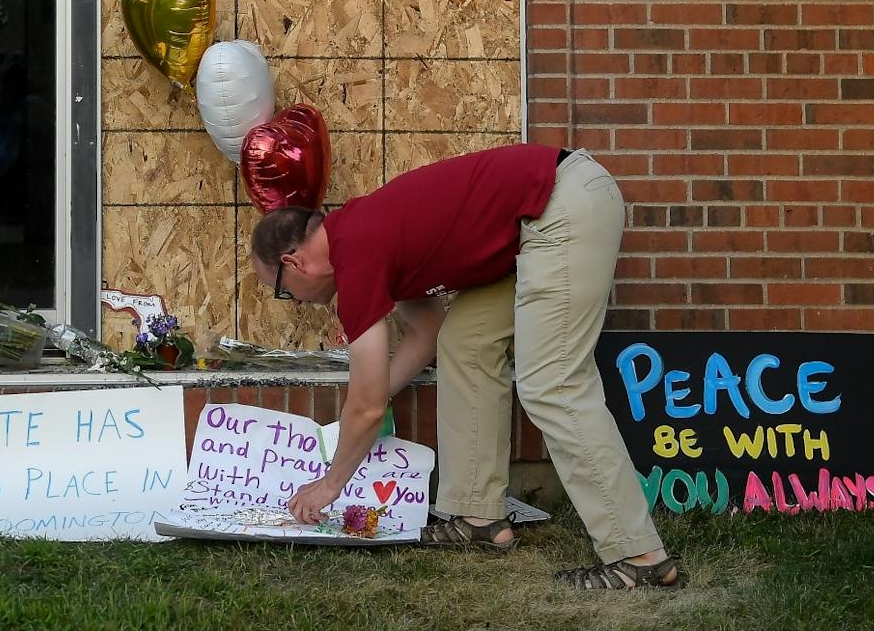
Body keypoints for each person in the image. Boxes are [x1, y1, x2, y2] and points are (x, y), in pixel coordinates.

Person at [249, 141, 684, 590]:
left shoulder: (354, 253)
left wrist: (329, 484)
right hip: (539, 218)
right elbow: (426, 333)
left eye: (283, 290)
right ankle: (479, 517)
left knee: (551, 382)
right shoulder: (363, 237)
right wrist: (369, 402)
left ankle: (640, 557)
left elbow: (367, 407)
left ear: (293, 262)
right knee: (464, 343)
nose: (293, 301)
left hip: (560, 202)